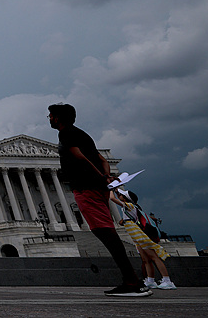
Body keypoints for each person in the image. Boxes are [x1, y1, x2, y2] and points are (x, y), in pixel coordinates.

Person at [48, 103, 150, 297]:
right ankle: (133, 281)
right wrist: (107, 176)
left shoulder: (66, 133)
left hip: (87, 188)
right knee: (106, 231)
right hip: (98, 187)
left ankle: (132, 282)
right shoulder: (83, 134)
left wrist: (100, 177)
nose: (50, 119)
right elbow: (102, 159)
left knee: (104, 232)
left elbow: (79, 157)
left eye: (51, 116)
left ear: (59, 118)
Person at [109, 188, 177, 290]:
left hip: (140, 236)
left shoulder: (130, 206)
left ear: (126, 198)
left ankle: (167, 280)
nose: (119, 196)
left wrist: (111, 189)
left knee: (153, 257)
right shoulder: (126, 209)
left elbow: (112, 198)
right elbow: (124, 221)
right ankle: (150, 280)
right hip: (136, 237)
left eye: (121, 195)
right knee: (146, 259)